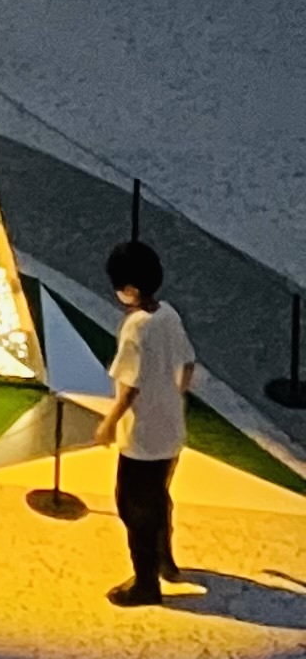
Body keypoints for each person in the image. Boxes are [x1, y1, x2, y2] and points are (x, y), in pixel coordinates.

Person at [94, 235, 195, 608]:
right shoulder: (169, 314)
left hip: (142, 437)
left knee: (133, 507)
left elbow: (130, 387)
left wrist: (108, 423)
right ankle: (166, 560)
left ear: (130, 289)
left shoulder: (136, 326)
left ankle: (145, 582)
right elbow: (187, 363)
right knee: (158, 496)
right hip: (170, 427)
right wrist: (173, 396)